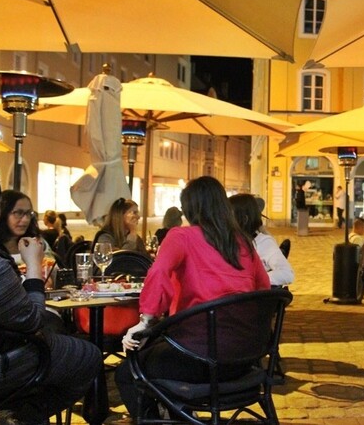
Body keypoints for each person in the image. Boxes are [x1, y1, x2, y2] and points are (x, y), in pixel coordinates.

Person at [116, 176, 271, 419]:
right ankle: (181, 415)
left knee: (128, 371)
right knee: (160, 351)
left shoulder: (181, 237)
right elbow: (264, 291)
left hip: (197, 357)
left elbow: (158, 273)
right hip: (245, 359)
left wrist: (145, 321)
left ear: (188, 208)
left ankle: (168, 419)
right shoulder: (243, 241)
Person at [0, 170, 101, 425]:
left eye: (28, 213)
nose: (25, 219)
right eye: (18, 212)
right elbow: (32, 320)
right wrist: (35, 269)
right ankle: (17, 417)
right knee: (89, 356)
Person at [230, 193, 294, 287]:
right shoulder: (228, 242)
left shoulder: (263, 242)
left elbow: (287, 274)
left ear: (244, 219)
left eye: (229, 215)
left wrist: (252, 280)